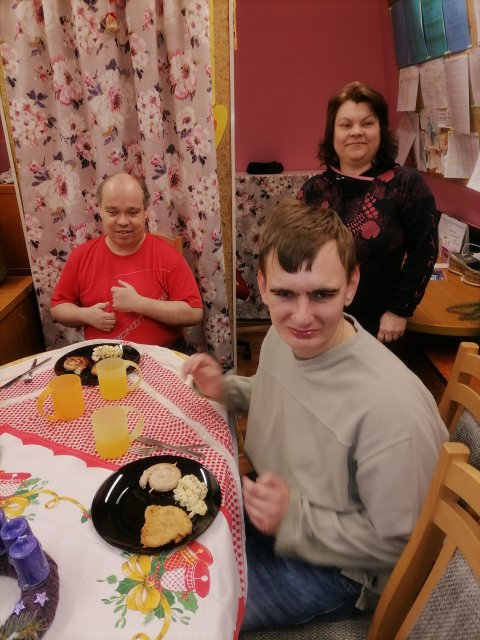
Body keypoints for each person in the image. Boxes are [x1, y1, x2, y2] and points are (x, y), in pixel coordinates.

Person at [183, 198, 447, 632]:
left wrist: (294, 520)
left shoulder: (391, 410)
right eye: (285, 294)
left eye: (322, 294)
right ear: (262, 286)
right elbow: (285, 395)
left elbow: (407, 545)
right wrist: (227, 390)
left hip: (340, 571)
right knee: (167, 551)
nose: (302, 317)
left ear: (351, 285)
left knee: (191, 610)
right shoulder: (282, 338)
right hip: (276, 509)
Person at [297, 80, 439, 343]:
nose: (356, 132)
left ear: (381, 130)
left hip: (381, 327)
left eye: (367, 123)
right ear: (332, 133)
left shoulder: (406, 184)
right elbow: (293, 256)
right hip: (319, 322)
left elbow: (425, 252)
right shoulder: (313, 191)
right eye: (346, 125)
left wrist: (400, 310)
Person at [50, 172, 203, 349]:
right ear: (100, 211)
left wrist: (139, 304)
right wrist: (85, 315)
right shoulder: (80, 256)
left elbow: (194, 313)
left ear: (145, 213)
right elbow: (58, 307)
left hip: (163, 354)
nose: (123, 221)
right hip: (104, 357)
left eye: (132, 212)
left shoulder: (168, 256)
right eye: (112, 212)